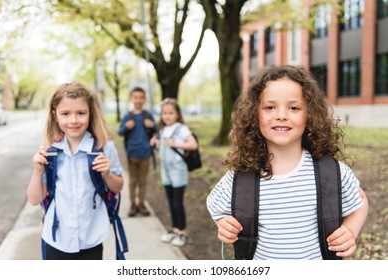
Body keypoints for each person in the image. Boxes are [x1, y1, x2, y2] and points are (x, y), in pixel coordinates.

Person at [207, 65, 369, 260]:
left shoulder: (332, 172)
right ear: (254, 114)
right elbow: (215, 206)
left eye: (294, 107)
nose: (281, 115)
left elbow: (360, 202)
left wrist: (350, 230)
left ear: (309, 114)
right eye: (269, 107)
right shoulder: (241, 176)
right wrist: (224, 224)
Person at [27, 82, 124, 260]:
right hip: (56, 239)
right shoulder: (49, 152)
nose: (73, 120)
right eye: (65, 114)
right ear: (55, 115)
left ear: (90, 114)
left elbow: (118, 186)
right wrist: (37, 172)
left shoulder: (105, 148)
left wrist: (107, 174)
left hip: (91, 238)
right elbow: (34, 199)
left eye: (81, 113)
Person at [150, 98, 198, 247]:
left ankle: (182, 232)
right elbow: (164, 149)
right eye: (165, 113)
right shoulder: (163, 129)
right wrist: (157, 144)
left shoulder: (181, 128)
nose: (167, 116)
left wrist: (175, 143)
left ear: (177, 114)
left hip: (178, 170)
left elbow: (193, 144)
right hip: (166, 170)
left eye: (171, 113)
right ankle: (174, 229)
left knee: (178, 202)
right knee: (171, 202)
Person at [118, 87, 157, 217]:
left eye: (141, 97)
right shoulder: (128, 116)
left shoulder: (148, 115)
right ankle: (132, 204)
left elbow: (156, 129)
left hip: (145, 153)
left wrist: (152, 126)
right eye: (136, 97)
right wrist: (126, 127)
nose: (138, 100)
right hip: (131, 154)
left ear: (144, 99)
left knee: (143, 180)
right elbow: (120, 132)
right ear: (131, 98)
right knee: (132, 180)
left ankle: (141, 203)